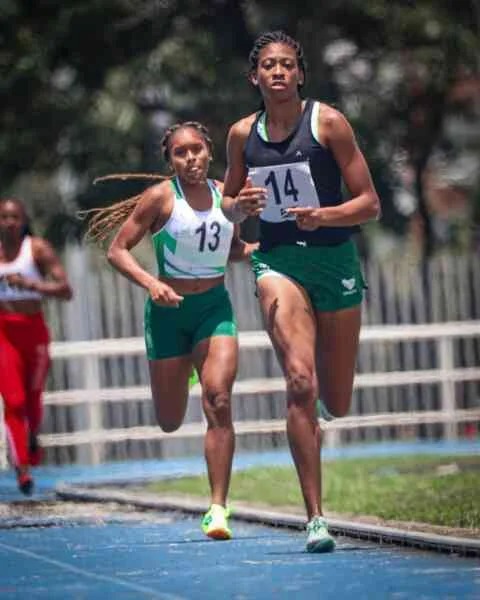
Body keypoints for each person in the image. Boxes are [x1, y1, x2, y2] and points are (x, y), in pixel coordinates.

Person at [221, 31, 380, 553]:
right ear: (255, 77)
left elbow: (370, 204)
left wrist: (323, 216)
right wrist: (240, 205)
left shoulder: (329, 123)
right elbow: (228, 204)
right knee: (298, 380)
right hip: (276, 261)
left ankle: (327, 408)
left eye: (287, 64)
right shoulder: (242, 134)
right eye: (268, 65)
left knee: (337, 397)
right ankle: (315, 518)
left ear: (301, 74)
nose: (278, 72)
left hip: (333, 260)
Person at [84, 121, 256, 541]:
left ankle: (217, 509)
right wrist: (152, 284)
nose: (191, 157)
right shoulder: (160, 198)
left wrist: (262, 250)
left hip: (213, 309)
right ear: (171, 161)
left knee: (218, 399)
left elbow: (231, 250)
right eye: (181, 153)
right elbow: (116, 250)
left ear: (210, 151)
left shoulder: (226, 196)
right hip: (167, 313)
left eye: (197, 149)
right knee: (169, 420)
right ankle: (186, 369)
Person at [0, 197, 73, 495]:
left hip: (34, 332)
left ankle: (30, 437)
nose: (9, 223)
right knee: (14, 401)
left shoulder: (37, 250)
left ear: (24, 220)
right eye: (4, 217)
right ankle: (22, 470)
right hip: (4, 332)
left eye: (15, 217)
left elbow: (65, 290)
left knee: (32, 400)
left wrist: (32, 286)